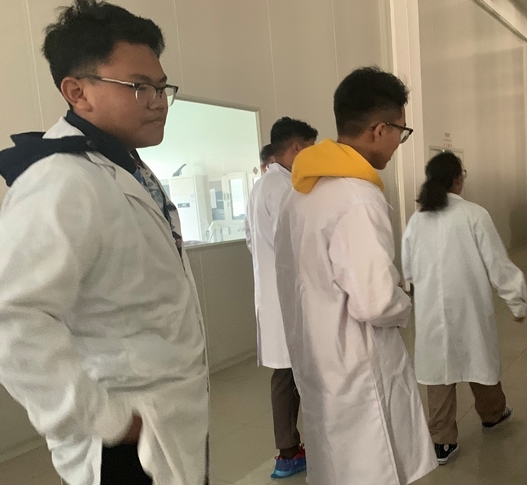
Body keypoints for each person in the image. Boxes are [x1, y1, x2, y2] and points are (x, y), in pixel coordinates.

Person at [0, 2, 209, 484]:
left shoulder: (122, 166)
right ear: (77, 92)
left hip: (167, 418)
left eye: (161, 87)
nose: (158, 101)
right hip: (124, 440)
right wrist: (109, 420)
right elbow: (12, 316)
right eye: (138, 86)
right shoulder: (61, 180)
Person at [274, 66, 437, 485]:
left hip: (318, 359)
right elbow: (376, 301)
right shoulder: (357, 197)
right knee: (371, 467)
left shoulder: (301, 192)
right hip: (358, 366)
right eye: (401, 131)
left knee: (335, 464)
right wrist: (404, 300)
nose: (399, 142)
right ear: (380, 130)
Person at [401, 151, 527, 465]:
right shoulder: (474, 214)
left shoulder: (417, 219)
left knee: (439, 371)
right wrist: (516, 300)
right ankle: (492, 415)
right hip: (469, 305)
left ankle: (442, 441)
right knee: (478, 359)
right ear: (458, 179)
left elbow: (408, 268)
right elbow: (497, 263)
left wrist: (417, 287)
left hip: (431, 309)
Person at [244, 116, 317, 479]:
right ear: (296, 148)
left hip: (274, 295)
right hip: (287, 298)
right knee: (288, 377)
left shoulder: (261, 187)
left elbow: (251, 240)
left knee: (287, 373)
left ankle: (292, 446)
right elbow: (297, 245)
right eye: (310, 150)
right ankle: (288, 452)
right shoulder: (284, 188)